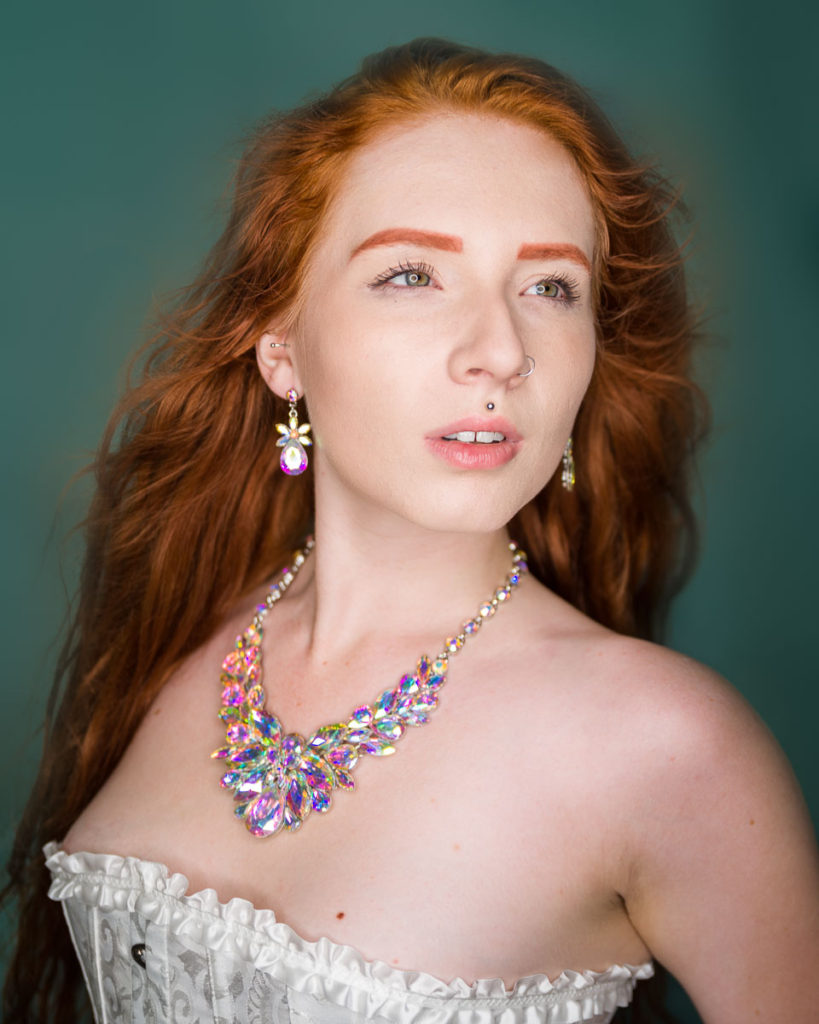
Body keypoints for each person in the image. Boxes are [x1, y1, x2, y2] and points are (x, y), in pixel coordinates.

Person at [3, 37, 818, 1024]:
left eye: (551, 287)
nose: (499, 351)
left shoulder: (673, 748)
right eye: (412, 275)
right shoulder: (183, 625)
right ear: (281, 352)